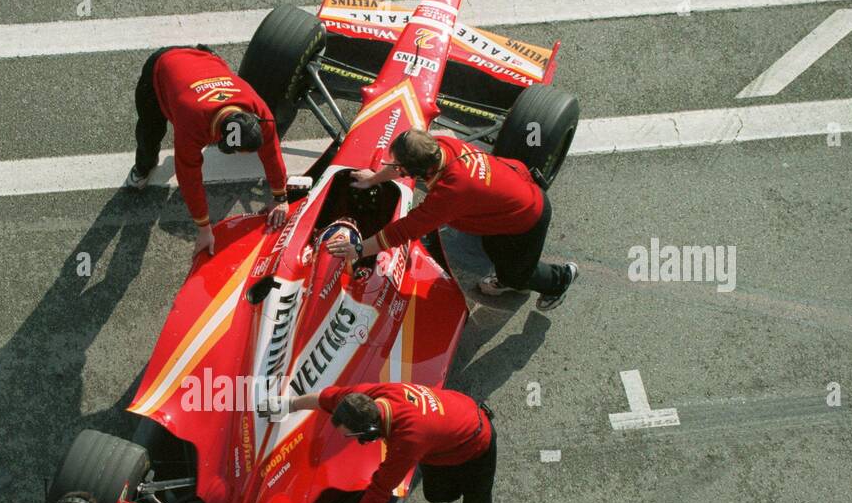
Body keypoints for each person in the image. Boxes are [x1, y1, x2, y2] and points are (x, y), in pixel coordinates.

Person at [326, 127, 578, 310]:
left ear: (419, 169)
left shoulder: (452, 192)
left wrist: (358, 250)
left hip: (526, 217)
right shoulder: (437, 145)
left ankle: (560, 279)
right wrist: (371, 179)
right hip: (505, 200)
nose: (393, 167)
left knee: (518, 274)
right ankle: (508, 273)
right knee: (492, 247)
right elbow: (402, 167)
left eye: (399, 165)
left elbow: (403, 231)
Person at [266, 382, 496, 503]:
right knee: (436, 494)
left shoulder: (408, 440)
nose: (353, 441)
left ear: (371, 431)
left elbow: (378, 492)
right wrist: (290, 404)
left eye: (352, 436)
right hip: (450, 423)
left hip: (475, 442)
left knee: (477, 496)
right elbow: (326, 398)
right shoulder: (363, 398)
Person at [127, 45, 290, 255]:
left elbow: (271, 149)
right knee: (150, 131)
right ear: (222, 140)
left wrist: (280, 196)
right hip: (162, 66)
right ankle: (143, 168)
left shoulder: (257, 108)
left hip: (203, 58)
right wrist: (204, 228)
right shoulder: (192, 123)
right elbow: (189, 177)